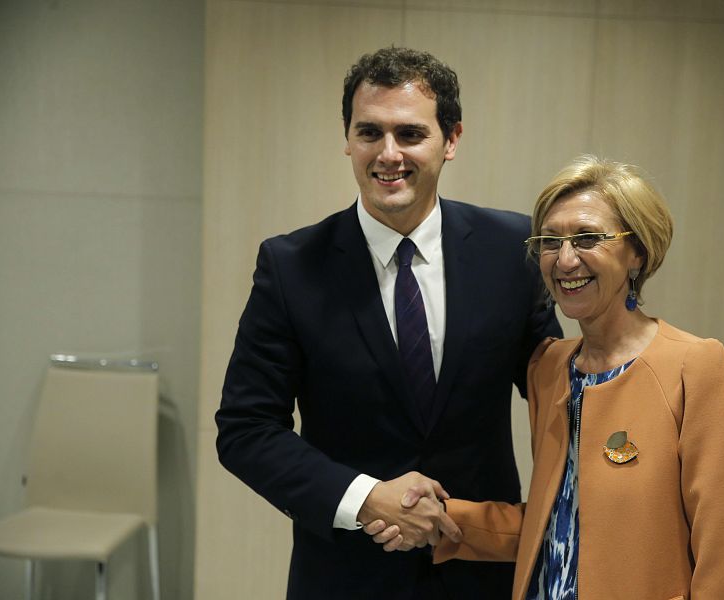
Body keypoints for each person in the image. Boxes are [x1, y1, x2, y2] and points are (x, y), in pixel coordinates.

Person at [214, 46, 562, 600]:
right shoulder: (291, 266)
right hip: (345, 576)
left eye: (410, 133)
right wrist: (363, 497)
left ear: (451, 140)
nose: (388, 153)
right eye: (370, 132)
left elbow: (557, 396)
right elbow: (245, 429)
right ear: (347, 140)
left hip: (480, 575)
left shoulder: (511, 251)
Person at [371, 156, 724, 599]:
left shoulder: (697, 368)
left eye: (587, 238)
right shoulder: (550, 368)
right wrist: (444, 519)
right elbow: (558, 520)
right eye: (550, 241)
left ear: (637, 251)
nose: (566, 260)